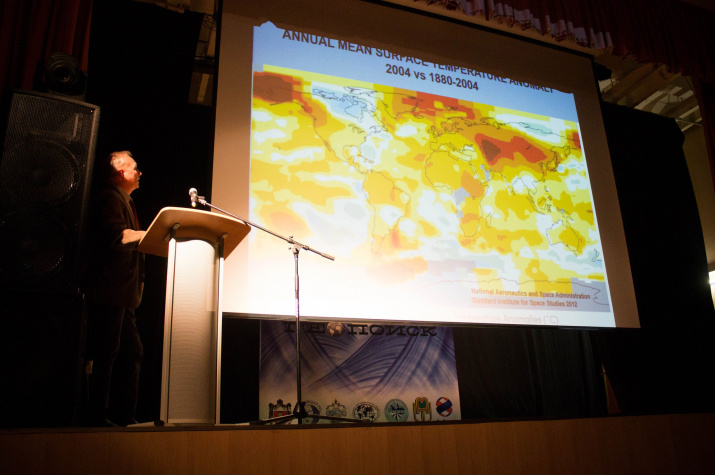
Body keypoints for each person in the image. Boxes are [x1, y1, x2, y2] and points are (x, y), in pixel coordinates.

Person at [84, 150, 146, 427]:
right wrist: (152, 234)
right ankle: (96, 416)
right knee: (107, 352)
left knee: (131, 351)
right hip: (110, 291)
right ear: (121, 172)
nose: (139, 172)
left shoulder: (124, 199)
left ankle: (124, 416)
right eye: (135, 168)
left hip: (123, 294)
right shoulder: (110, 197)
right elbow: (116, 235)